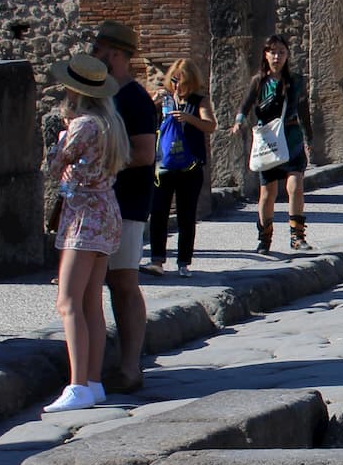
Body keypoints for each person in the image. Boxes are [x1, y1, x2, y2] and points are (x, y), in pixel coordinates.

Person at [42, 53, 128, 413]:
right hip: (105, 211)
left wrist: (58, 138)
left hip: (83, 217)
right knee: (92, 300)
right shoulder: (111, 122)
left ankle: (77, 384)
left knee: (68, 302)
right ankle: (93, 381)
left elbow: (53, 165)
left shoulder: (82, 126)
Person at [90, 21, 155, 395]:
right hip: (101, 201)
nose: (93, 54)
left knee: (124, 284)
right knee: (99, 285)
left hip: (127, 202)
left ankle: (130, 366)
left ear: (113, 54)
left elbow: (144, 153)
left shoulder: (133, 98)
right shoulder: (103, 95)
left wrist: (101, 159)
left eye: (97, 49)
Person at [231, 34, 314, 256]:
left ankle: (297, 237)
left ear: (287, 56)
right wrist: (238, 122)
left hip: (292, 137)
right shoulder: (259, 81)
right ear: (266, 54)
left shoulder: (296, 81)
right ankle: (264, 238)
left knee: (295, 186)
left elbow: (303, 109)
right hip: (268, 141)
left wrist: (309, 137)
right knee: (267, 193)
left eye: (282, 52)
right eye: (273, 52)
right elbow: (245, 105)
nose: (277, 57)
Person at [147, 58, 214, 276]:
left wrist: (189, 118)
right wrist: (152, 103)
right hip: (165, 164)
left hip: (190, 166)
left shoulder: (199, 101)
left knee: (186, 214)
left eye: (182, 82)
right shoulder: (166, 99)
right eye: (174, 81)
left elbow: (210, 125)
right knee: (159, 212)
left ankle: (183, 261)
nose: (178, 86)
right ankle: (157, 260)